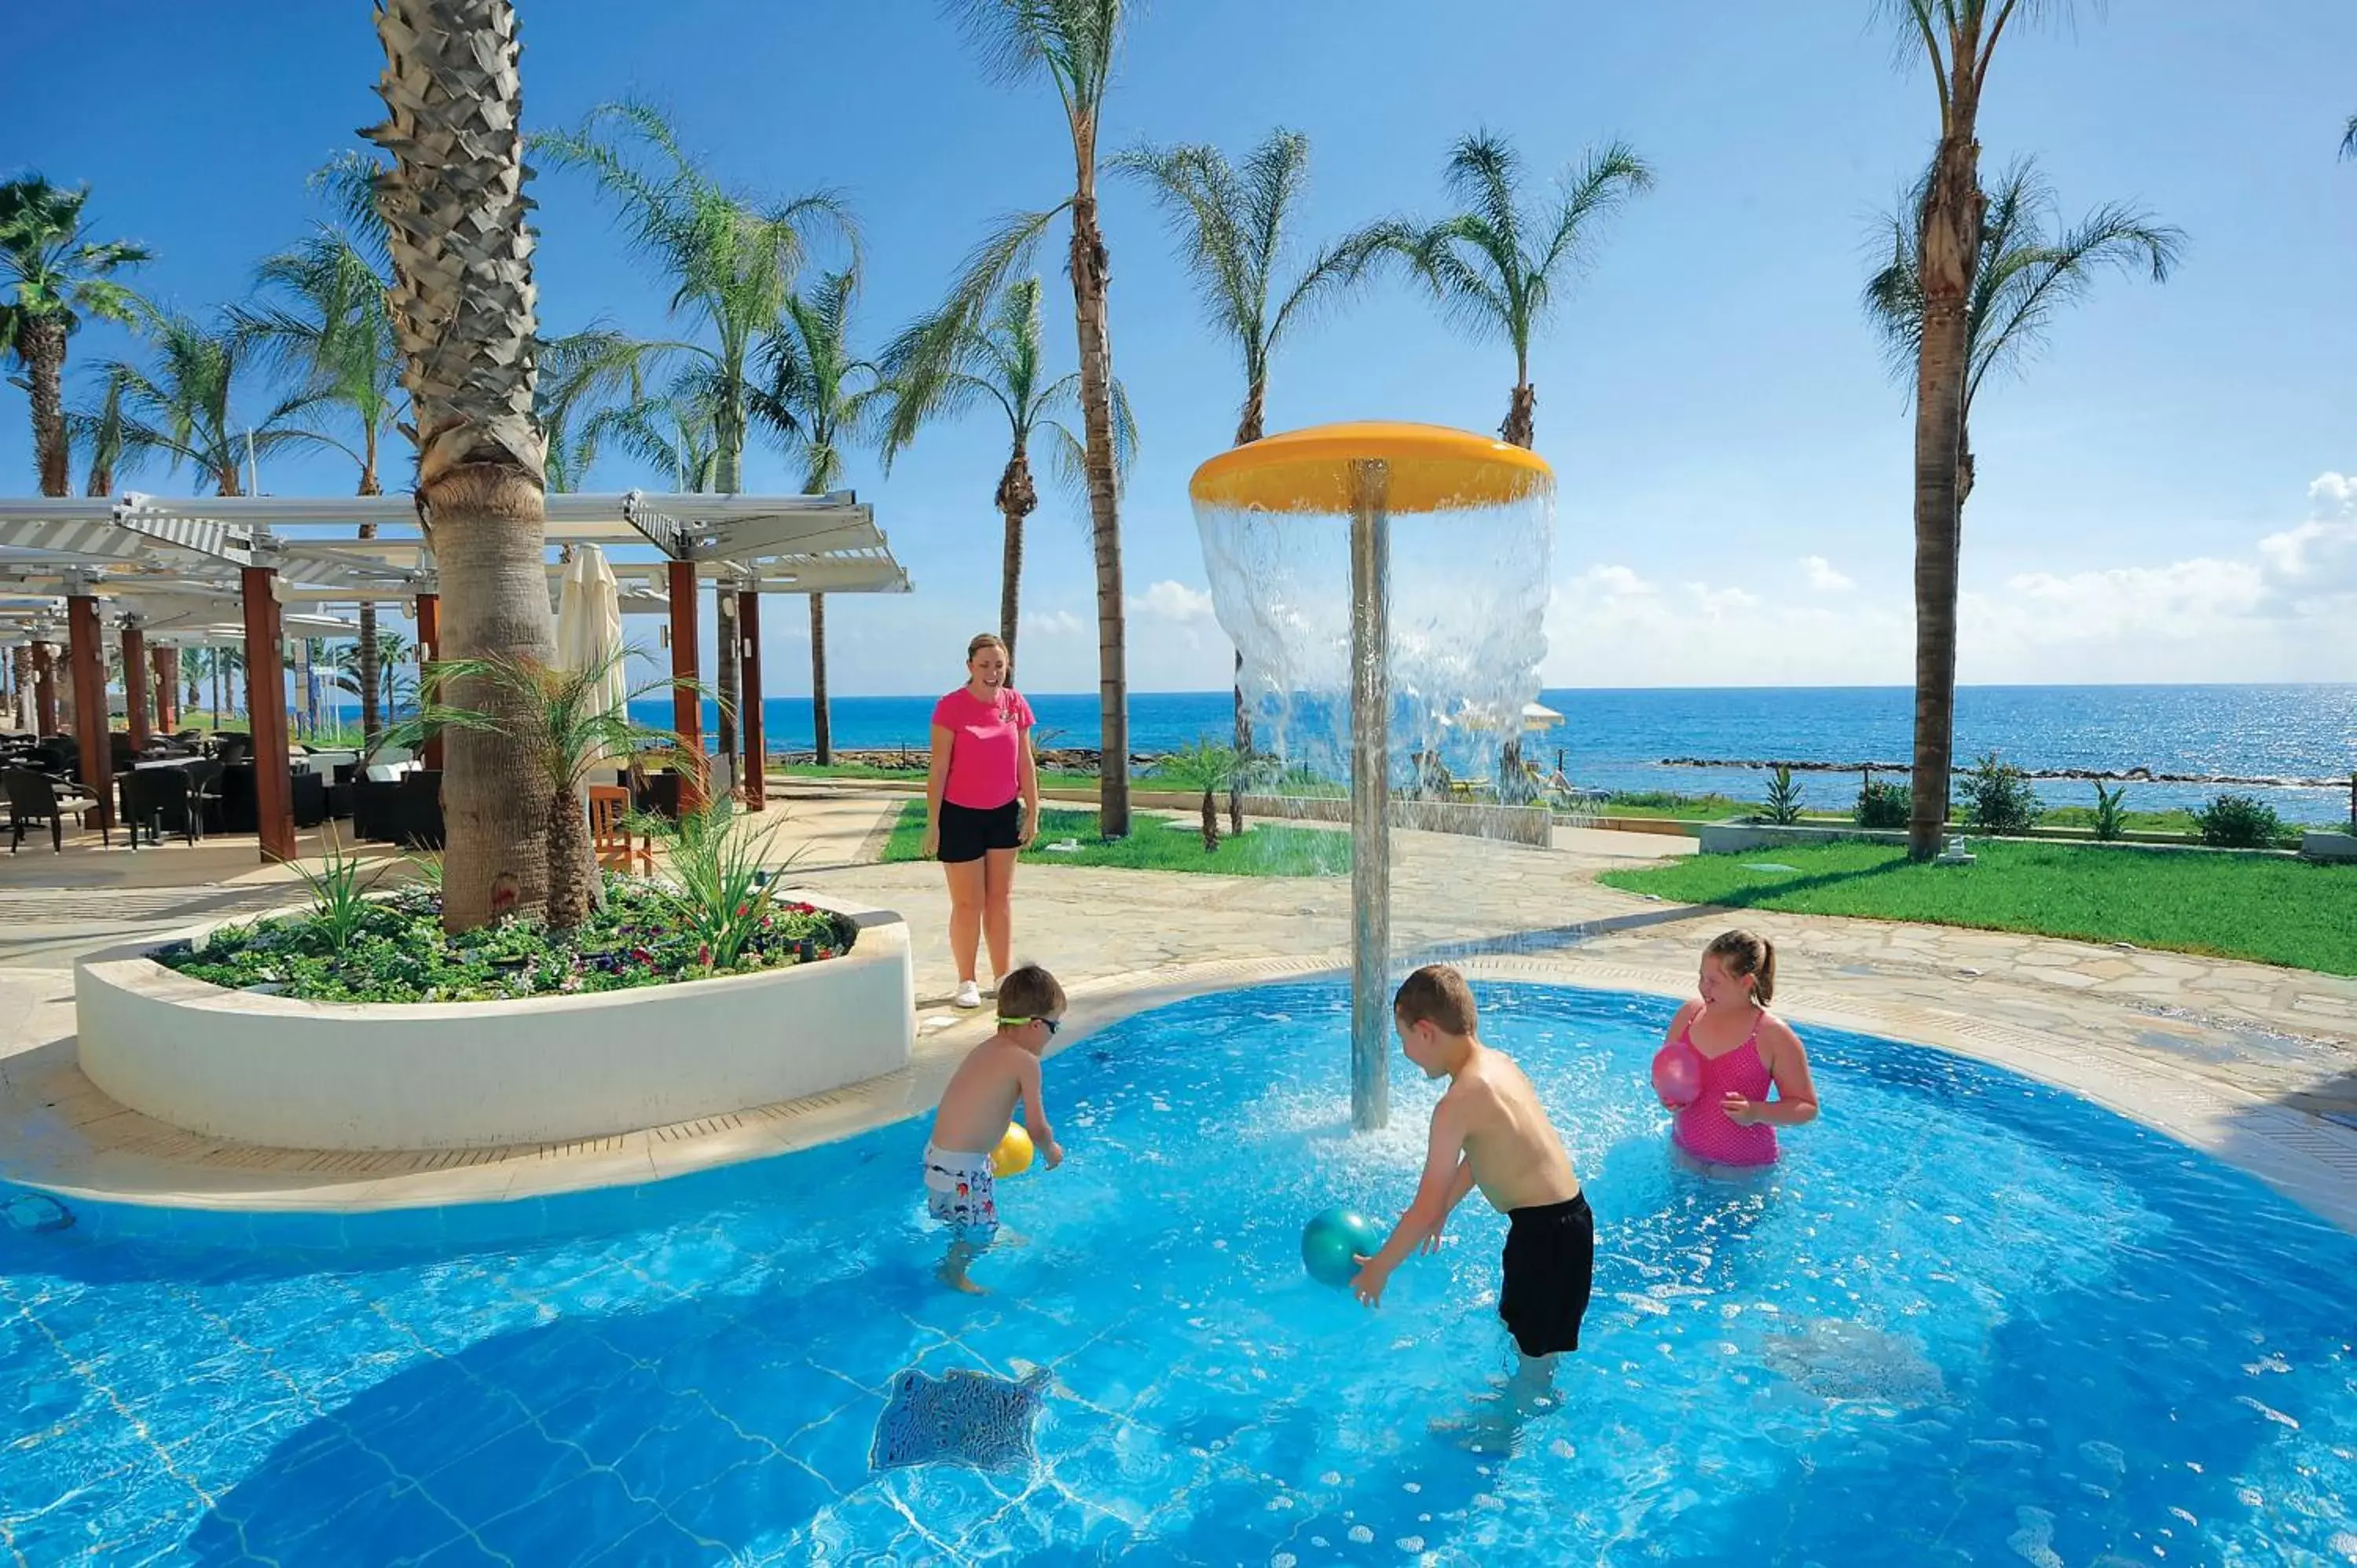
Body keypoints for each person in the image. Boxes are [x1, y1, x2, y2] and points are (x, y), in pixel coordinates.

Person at [1350, 965, 1593, 1443]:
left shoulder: (1456, 1103)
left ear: (1426, 1031)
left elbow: (1421, 1206)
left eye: (1404, 1039)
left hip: (1543, 1238)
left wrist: (1381, 1267)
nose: (1405, 1053)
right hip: (1569, 1224)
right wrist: (1447, 1206)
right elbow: (1484, 1155)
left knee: (1533, 1351)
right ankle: (1525, 1397)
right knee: (1531, 1334)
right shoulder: (1496, 1066)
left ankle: (1507, 1430)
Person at [922, 963, 1068, 1293]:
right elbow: (1036, 1127)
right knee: (980, 1233)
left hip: (937, 1157)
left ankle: (971, 1225)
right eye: (1054, 1027)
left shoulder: (985, 1048)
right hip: (964, 1171)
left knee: (961, 1217)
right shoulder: (1025, 1061)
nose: (1053, 1035)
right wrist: (1051, 1151)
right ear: (1035, 1025)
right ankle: (953, 1272)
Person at [922, 633, 1042, 1009]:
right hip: (959, 815)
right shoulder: (950, 707)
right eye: (985, 665)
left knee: (1000, 900)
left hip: (1004, 813)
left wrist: (1034, 812)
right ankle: (966, 980)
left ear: (1007, 668)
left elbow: (1025, 762)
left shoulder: (1015, 704)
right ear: (970, 666)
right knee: (968, 903)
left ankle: (1003, 978)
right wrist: (933, 821)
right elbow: (939, 767)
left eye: (999, 665)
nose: (993, 672)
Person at [1660, 929, 1820, 1170]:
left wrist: (1756, 1111)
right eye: (1702, 977)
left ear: (1746, 983)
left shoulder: (1772, 1035)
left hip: (1744, 1169)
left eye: (1714, 982)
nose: (1703, 988)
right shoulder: (1689, 1016)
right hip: (1685, 1151)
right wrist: (1667, 1096)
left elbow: (1806, 1107)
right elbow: (1663, 1072)